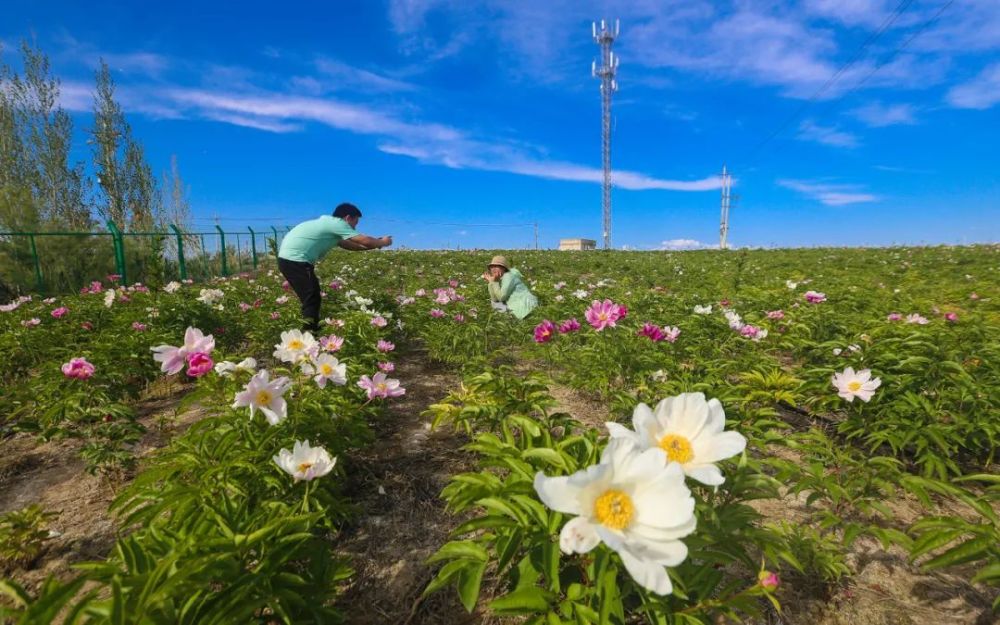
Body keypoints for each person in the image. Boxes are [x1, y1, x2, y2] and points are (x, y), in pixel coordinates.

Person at [278, 203, 392, 332]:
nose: (355, 227)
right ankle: (310, 333)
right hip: (296, 260)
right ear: (347, 218)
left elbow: (351, 246)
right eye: (355, 222)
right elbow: (364, 240)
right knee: (311, 296)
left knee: (310, 296)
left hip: (289, 259)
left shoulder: (329, 225)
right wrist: (383, 242)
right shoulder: (337, 224)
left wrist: (376, 244)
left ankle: (311, 328)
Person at [483, 255, 537, 319]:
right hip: (521, 305)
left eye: (497, 266)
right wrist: (491, 283)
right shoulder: (503, 278)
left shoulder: (508, 276)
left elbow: (501, 297)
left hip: (525, 306)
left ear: (503, 268)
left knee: (495, 304)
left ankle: (510, 318)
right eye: (492, 267)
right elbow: (495, 299)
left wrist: (494, 283)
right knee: (494, 303)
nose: (493, 269)